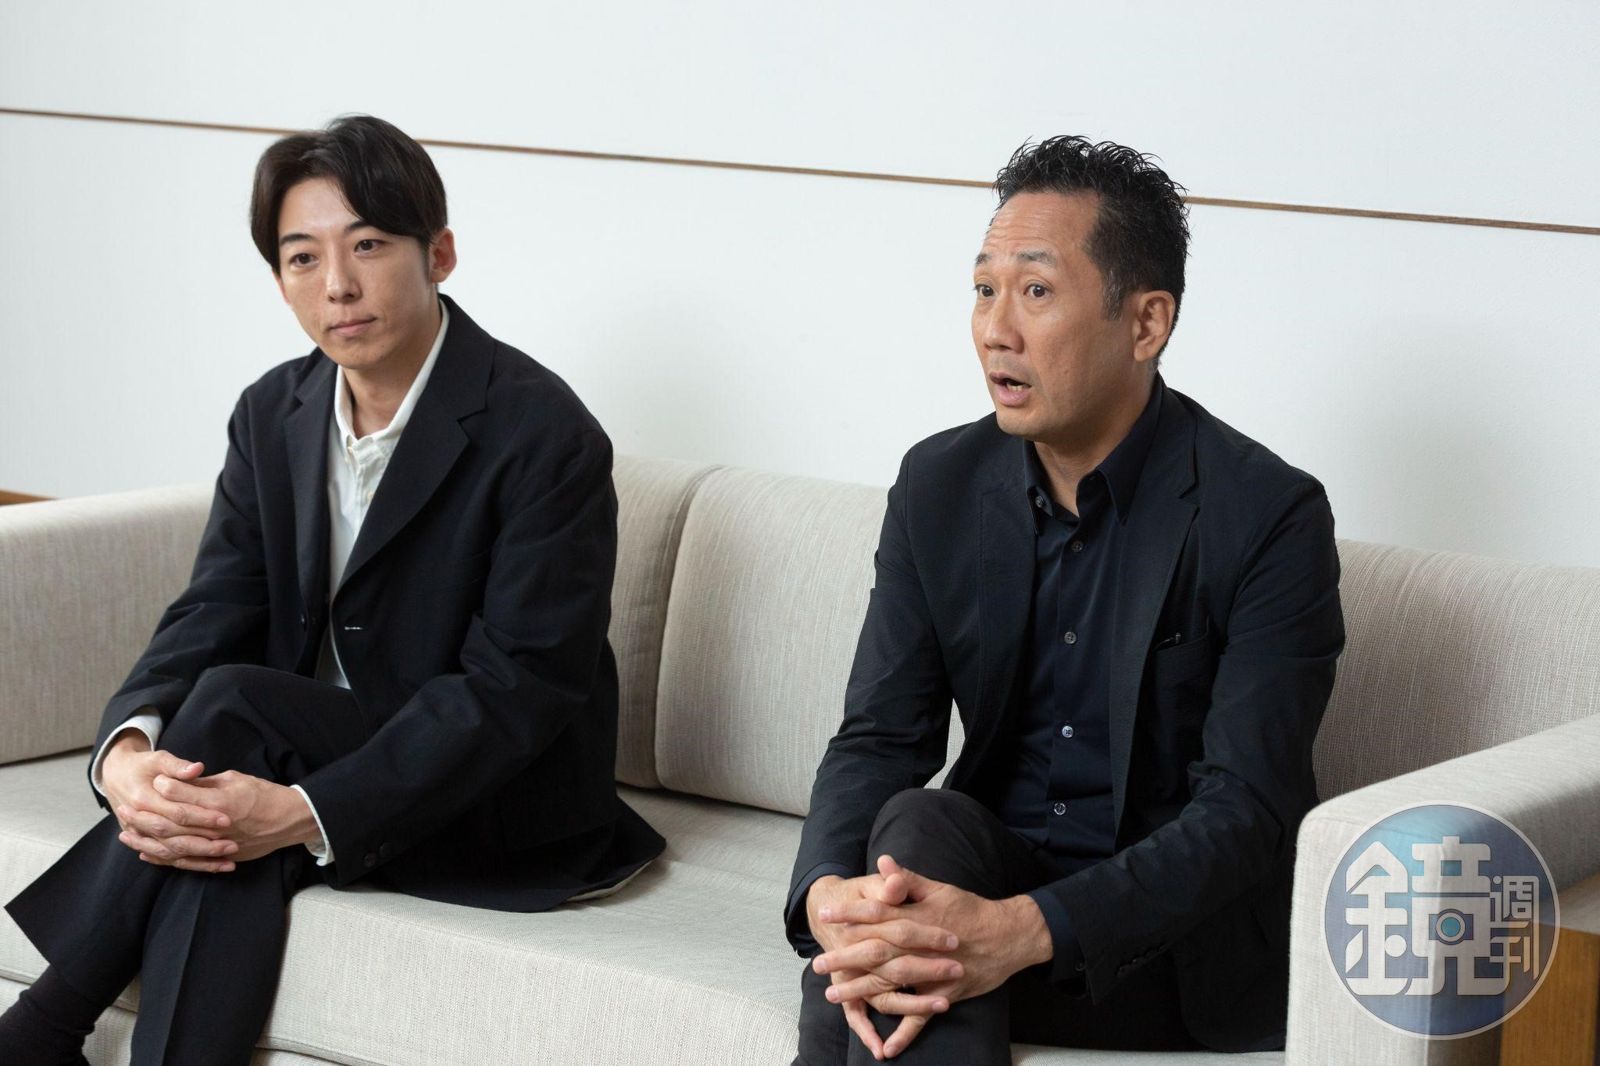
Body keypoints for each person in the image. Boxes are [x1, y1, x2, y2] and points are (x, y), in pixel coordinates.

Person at [0, 114, 662, 1066]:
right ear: (280, 279)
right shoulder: (274, 410)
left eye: (369, 245)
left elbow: (518, 691)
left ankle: (43, 1027)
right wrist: (129, 753)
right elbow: (215, 609)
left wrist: (307, 810)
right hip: (297, 748)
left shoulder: (543, 433)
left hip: (494, 791)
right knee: (222, 809)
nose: (337, 285)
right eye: (302, 258)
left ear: (439, 253)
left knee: (234, 718)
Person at [787, 135, 1345, 1063]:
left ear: (1146, 322)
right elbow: (880, 736)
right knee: (914, 840)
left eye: (1036, 291)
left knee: (896, 954)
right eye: (984, 289)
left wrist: (1019, 931)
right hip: (977, 893)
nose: (994, 330)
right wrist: (826, 897)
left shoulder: (1267, 514)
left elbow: (1246, 811)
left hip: (1161, 949)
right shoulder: (938, 485)